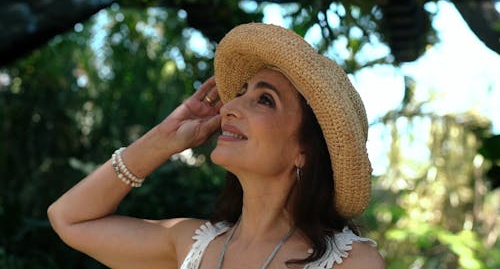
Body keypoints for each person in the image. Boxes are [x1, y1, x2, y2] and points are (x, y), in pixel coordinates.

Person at [48, 23, 385, 269]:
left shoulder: (353, 262)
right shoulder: (191, 243)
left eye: (265, 100)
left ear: (304, 152)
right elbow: (68, 219)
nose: (228, 108)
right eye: (241, 94)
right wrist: (164, 140)